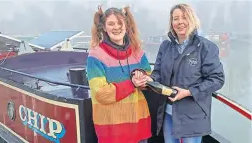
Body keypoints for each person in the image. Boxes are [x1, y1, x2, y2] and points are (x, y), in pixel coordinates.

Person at [137, 3, 225, 143]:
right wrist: (148, 79)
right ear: (171, 23)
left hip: (193, 115)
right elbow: (158, 73)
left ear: (192, 19)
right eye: (175, 18)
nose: (180, 22)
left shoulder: (206, 47)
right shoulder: (165, 46)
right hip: (168, 112)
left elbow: (217, 79)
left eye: (184, 17)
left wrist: (188, 92)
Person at [86, 6, 152, 143]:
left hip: (139, 124)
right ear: (104, 28)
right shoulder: (95, 56)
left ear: (127, 25)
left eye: (120, 23)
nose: (116, 27)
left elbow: (150, 77)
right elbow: (101, 94)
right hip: (112, 130)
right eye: (111, 24)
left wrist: (144, 78)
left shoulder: (137, 52)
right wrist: (132, 84)